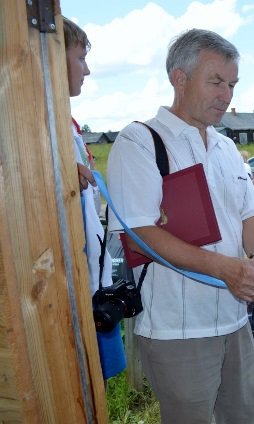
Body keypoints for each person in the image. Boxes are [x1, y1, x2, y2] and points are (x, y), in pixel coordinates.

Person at [107, 29, 254, 423]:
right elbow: (139, 235)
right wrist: (226, 269)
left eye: (232, 84)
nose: (226, 95)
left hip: (234, 319)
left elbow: (252, 214)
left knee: (247, 417)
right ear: (179, 78)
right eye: (216, 82)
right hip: (177, 330)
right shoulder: (140, 142)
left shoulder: (227, 147)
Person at [63, 16, 126, 381]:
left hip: (91, 274)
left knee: (97, 375)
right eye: (80, 58)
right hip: (67, 285)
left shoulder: (68, 124)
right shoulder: (34, 126)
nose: (86, 70)